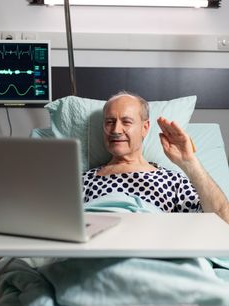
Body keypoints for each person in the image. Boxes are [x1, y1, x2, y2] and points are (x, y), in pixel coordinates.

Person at [83, 91, 229, 224]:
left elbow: (222, 220)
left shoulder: (173, 181)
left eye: (126, 122)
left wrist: (189, 162)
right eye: (110, 122)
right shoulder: (84, 181)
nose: (116, 130)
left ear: (145, 128)